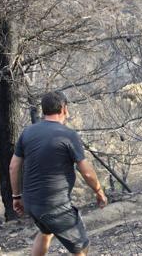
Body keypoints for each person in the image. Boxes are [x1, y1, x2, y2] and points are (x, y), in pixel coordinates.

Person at [9, 91, 107, 256]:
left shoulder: (27, 132)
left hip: (32, 203)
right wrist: (99, 192)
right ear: (63, 109)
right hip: (55, 206)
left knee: (46, 232)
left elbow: (13, 166)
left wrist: (16, 197)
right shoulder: (67, 134)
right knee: (81, 247)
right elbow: (87, 172)